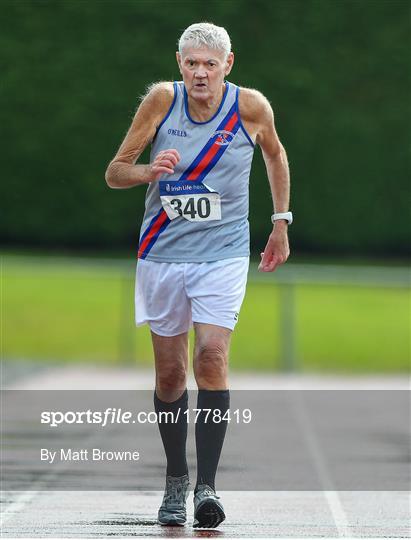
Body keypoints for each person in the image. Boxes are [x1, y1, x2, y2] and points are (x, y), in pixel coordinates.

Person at [105, 22, 291, 529]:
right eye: (192, 63)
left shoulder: (251, 107)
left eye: (211, 64)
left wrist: (280, 221)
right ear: (180, 64)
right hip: (162, 254)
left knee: (211, 357)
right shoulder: (162, 102)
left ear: (228, 65)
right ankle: (175, 479)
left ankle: (207, 486)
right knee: (169, 375)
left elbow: (275, 155)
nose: (200, 73)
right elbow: (115, 171)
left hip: (223, 255)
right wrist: (149, 172)